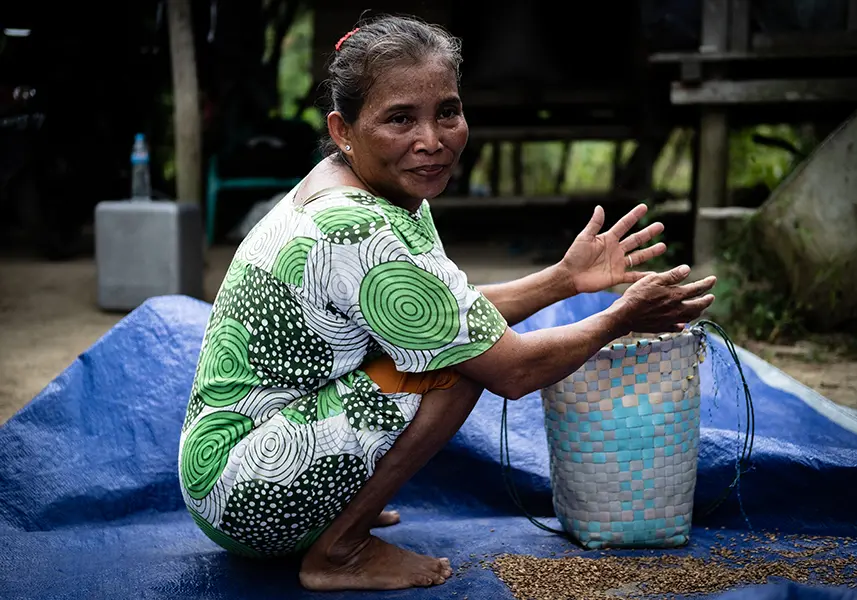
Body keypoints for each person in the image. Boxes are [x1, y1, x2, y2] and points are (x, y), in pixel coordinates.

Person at [177, 14, 716, 592]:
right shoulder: (359, 228)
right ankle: (338, 550)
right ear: (343, 130)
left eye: (447, 113)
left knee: (453, 345)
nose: (431, 141)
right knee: (457, 370)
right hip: (246, 494)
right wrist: (620, 318)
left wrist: (564, 278)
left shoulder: (364, 183)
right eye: (400, 118)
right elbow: (509, 368)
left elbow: (440, 312)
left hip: (228, 468)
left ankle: (333, 514)